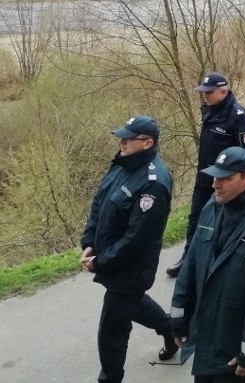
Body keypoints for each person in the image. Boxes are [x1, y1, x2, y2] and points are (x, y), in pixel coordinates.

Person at [170, 147, 245, 383]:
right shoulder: (213, 206)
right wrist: (179, 315)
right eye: (215, 177)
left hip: (234, 349)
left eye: (225, 178)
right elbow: (192, 264)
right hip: (206, 335)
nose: (216, 184)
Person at [81, 115, 175, 383]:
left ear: (147, 143)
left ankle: (109, 379)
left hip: (130, 268)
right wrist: (89, 242)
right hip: (112, 260)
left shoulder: (154, 183)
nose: (121, 141)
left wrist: (102, 262)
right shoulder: (123, 163)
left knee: (112, 330)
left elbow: (138, 239)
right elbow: (99, 202)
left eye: (127, 138)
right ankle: (173, 330)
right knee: (132, 305)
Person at [167, 73, 245, 277]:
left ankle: (222, 264)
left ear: (223, 91)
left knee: (225, 223)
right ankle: (188, 260)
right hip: (204, 177)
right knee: (196, 218)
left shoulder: (238, 116)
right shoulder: (208, 111)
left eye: (209, 92)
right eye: (203, 92)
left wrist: (242, 184)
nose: (205, 96)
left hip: (227, 181)